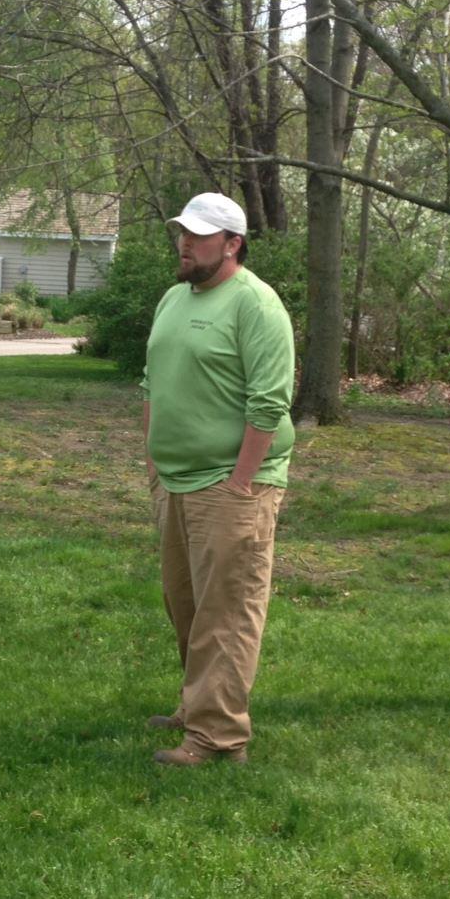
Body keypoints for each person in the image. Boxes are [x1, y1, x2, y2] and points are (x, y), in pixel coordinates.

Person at [141, 192, 295, 766]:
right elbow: (152, 383)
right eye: (182, 231)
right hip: (176, 481)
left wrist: (241, 483)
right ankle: (196, 705)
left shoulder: (256, 305)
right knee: (186, 604)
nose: (185, 242)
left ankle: (217, 736)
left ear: (233, 244)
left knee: (226, 612)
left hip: (232, 486)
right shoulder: (173, 299)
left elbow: (271, 401)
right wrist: (153, 463)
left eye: (200, 235)